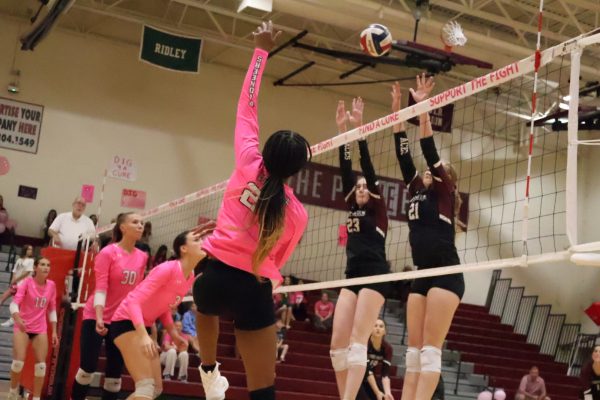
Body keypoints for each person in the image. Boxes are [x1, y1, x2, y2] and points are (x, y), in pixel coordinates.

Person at [192, 21, 311, 400]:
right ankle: (220, 377)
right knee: (263, 389)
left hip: (211, 278)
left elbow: (247, 104)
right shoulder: (297, 214)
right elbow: (277, 261)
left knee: (203, 299)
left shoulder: (247, 162)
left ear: (267, 152)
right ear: (296, 171)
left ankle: (209, 371)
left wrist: (261, 50)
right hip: (252, 288)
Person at [392, 76, 464, 400]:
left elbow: (427, 147)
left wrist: (423, 108)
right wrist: (396, 111)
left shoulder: (444, 191)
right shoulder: (415, 191)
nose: (429, 171)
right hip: (422, 273)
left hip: (445, 273)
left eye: (438, 170)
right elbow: (404, 155)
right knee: (413, 353)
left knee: (431, 352)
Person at [329, 96, 390, 400]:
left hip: (375, 275)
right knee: (337, 348)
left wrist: (360, 129)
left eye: (367, 186)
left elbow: (366, 166)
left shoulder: (378, 210)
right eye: (360, 186)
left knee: (356, 342)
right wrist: (343, 130)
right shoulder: (352, 204)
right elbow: (345, 168)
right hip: (351, 275)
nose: (363, 188)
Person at [109, 227, 211, 400]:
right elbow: (133, 301)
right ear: (183, 248)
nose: (202, 242)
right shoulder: (167, 269)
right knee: (145, 388)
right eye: (196, 240)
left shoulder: (190, 276)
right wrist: (143, 335)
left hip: (143, 327)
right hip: (126, 323)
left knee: (155, 390)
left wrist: (174, 334)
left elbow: (164, 308)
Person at [71, 213, 148, 400]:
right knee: (88, 368)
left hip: (121, 319)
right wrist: (99, 317)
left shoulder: (143, 256)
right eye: (135, 222)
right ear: (122, 227)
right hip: (96, 315)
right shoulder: (108, 252)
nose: (140, 226)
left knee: (115, 374)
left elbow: (137, 292)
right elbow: (101, 287)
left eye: (142, 223)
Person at [7, 257, 58, 400]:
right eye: (42, 264)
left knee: (41, 366)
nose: (46, 267)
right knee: (18, 362)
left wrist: (54, 331)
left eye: (48, 265)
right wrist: (17, 318)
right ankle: (12, 392)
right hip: (23, 326)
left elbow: (52, 309)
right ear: (35, 267)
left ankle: (36, 398)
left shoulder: (52, 286)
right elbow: (14, 304)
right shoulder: (27, 282)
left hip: (40, 328)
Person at [356, 319, 394, 400]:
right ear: (370, 330)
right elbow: (368, 371)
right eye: (375, 326)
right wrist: (377, 392)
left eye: (381, 326)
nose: (378, 328)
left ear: (385, 331)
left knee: (384, 396)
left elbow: (385, 374)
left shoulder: (388, 348)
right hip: (358, 378)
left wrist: (388, 392)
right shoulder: (365, 345)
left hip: (372, 379)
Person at [1, 245, 35, 327]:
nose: (30, 251)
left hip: (24, 283)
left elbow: (27, 273)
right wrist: (13, 280)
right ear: (25, 250)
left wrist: (16, 280)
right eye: (29, 249)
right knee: (3, 297)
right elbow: (14, 270)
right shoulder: (19, 260)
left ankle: (12, 320)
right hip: (16, 283)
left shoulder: (31, 260)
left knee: (16, 302)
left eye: (31, 249)